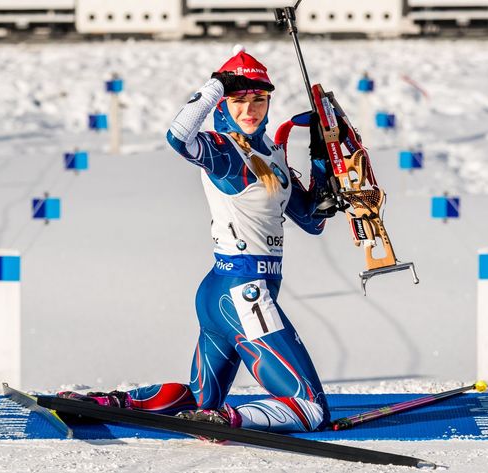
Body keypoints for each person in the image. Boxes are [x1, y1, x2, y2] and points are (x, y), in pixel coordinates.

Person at [60, 47, 335, 433]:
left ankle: (108, 404)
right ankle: (227, 420)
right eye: (238, 101)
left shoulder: (270, 152)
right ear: (224, 104)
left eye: (258, 100)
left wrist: (322, 154)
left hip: (221, 293)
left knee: (201, 397)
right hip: (244, 294)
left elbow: (311, 220)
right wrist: (216, 85)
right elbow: (178, 137)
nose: (250, 110)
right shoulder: (225, 150)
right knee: (310, 408)